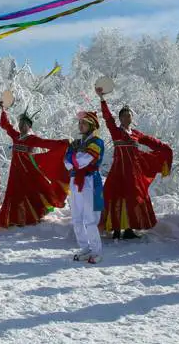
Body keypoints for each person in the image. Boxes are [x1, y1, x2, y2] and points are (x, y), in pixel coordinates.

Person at [98, 93, 173, 240]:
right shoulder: (116, 131)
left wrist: (165, 148)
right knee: (115, 196)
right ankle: (116, 228)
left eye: (129, 115)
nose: (127, 118)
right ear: (120, 118)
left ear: (132, 118)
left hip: (133, 172)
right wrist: (102, 99)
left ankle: (129, 229)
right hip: (118, 170)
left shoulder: (136, 134)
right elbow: (107, 118)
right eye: (124, 115)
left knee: (132, 198)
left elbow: (151, 141)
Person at [0, 105, 70, 228]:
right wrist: (3, 110)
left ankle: (32, 215)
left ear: (29, 127)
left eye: (24, 124)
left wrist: (63, 143)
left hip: (27, 171)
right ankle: (14, 218)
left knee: (30, 193)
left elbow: (47, 143)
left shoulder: (32, 139)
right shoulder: (15, 135)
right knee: (14, 194)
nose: (21, 126)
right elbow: (5, 125)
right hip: (15, 171)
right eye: (20, 123)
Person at [65, 111, 106, 264]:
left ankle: (96, 251)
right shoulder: (78, 143)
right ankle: (85, 248)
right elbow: (66, 163)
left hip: (89, 181)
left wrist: (72, 155)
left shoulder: (97, 142)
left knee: (90, 218)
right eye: (80, 123)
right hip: (75, 180)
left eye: (84, 123)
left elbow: (83, 161)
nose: (81, 125)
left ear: (92, 125)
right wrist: (73, 155)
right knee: (76, 218)